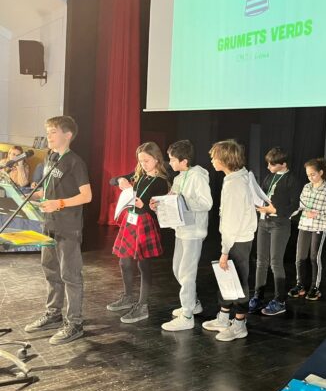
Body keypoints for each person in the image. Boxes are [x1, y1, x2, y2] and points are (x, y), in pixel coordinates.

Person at [24, 116, 92, 345]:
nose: (49, 136)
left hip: (68, 227)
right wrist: (32, 196)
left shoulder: (75, 162)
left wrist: (59, 203)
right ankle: (53, 314)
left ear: (68, 135)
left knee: (70, 275)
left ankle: (75, 323)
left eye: (53, 132)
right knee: (50, 271)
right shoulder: (50, 158)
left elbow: (86, 196)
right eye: (48, 132)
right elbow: (48, 192)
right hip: (49, 224)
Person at [107, 142, 170, 324]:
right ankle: (127, 297)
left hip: (145, 223)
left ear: (156, 159)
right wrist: (121, 180)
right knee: (124, 261)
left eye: (146, 161)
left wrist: (146, 207)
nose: (143, 164)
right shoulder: (139, 174)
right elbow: (113, 180)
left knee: (144, 265)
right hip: (131, 221)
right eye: (140, 161)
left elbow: (161, 210)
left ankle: (143, 305)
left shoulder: (161, 182)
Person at [202, 140, 257, 341]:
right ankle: (224, 318)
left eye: (214, 157)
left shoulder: (236, 184)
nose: (212, 160)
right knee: (227, 279)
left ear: (225, 159)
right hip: (237, 238)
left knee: (239, 282)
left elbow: (232, 221)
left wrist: (225, 251)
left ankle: (240, 324)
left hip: (237, 240)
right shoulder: (237, 177)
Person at [158, 140, 213, 332]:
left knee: (187, 272)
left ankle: (187, 315)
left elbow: (206, 203)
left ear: (184, 161)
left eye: (173, 159)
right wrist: (160, 204)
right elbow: (173, 199)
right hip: (181, 229)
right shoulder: (179, 178)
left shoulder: (198, 176)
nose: (170, 162)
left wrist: (183, 201)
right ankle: (193, 303)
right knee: (177, 269)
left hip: (194, 231)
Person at [249, 147, 300, 316]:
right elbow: (263, 194)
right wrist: (259, 204)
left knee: (275, 262)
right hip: (264, 222)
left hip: (280, 224)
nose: (268, 167)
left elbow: (294, 205)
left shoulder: (292, 180)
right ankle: (258, 296)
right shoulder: (269, 177)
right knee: (260, 261)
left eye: (272, 164)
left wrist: (275, 210)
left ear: (283, 164)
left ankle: (280, 301)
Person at [288, 158, 326, 301]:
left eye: (313, 174)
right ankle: (300, 285)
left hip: (319, 226)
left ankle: (315, 287)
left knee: (314, 257)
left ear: (321, 172)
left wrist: (317, 213)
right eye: (308, 175)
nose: (310, 178)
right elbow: (300, 206)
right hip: (304, 225)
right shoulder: (306, 187)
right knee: (300, 257)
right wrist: (289, 213)